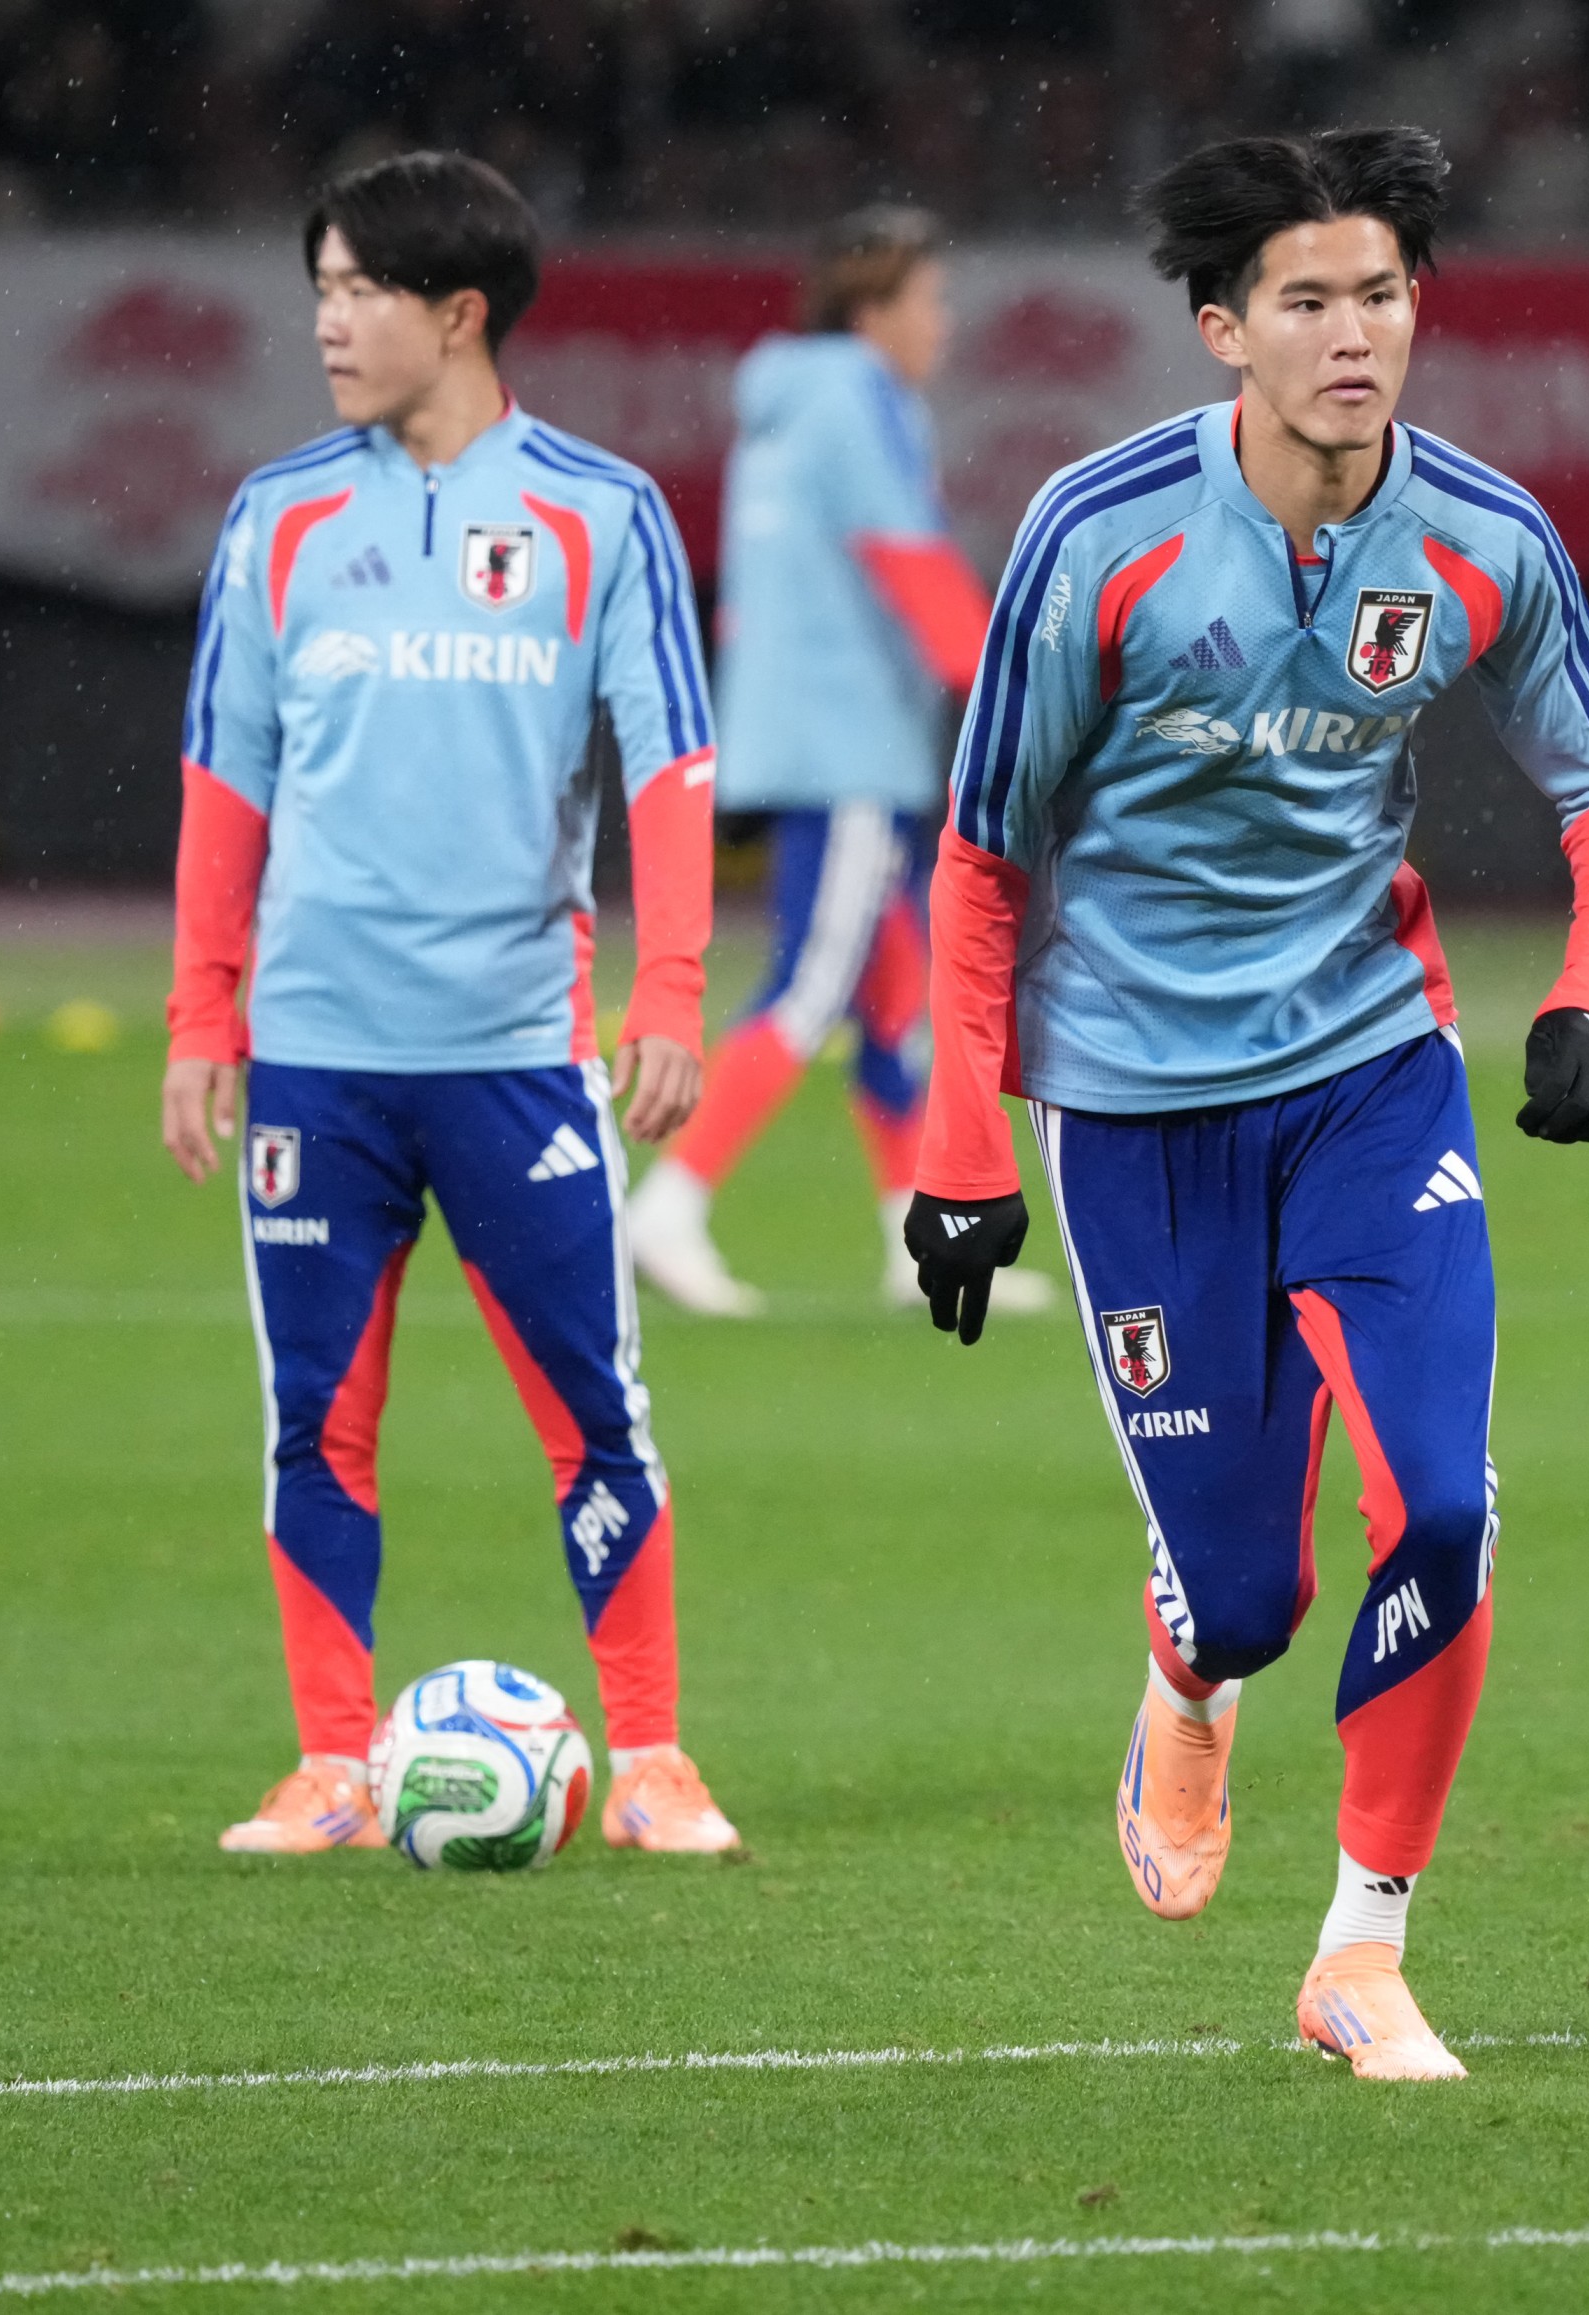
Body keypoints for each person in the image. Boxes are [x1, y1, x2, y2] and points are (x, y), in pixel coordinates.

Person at [901, 127, 1589, 2079]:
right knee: (1252, 1588)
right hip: (1138, 1115)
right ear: (1226, 325)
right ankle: (1188, 1649)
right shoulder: (1103, 532)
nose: (1352, 334)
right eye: (1307, 300)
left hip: (1369, 1081)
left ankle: (1361, 1948)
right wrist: (961, 1147)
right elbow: (982, 857)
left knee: (1447, 1502)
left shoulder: (1484, 537)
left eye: (1382, 293)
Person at [162, 151, 742, 1857]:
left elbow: (673, 768)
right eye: (319, 290)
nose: (327, 324)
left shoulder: (599, 514)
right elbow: (224, 779)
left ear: (458, 314)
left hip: (516, 1057)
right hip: (317, 1064)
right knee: (315, 1420)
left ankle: (649, 1759)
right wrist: (207, 1019)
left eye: (359, 292)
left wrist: (675, 992)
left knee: (593, 1414)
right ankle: (330, 1769)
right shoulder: (276, 519)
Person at [629, 209, 1051, 1323]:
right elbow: (904, 555)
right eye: (929, 302)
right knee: (813, 984)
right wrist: (1018, 687)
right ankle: (670, 1200)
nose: (942, 325)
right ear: (877, 313)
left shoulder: (783, 404)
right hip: (846, 745)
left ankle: (921, 1237)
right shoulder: (859, 399)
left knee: (897, 992)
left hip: (794, 732)